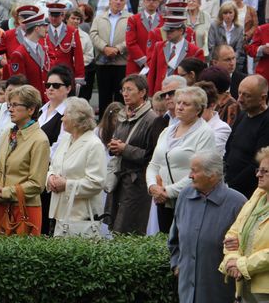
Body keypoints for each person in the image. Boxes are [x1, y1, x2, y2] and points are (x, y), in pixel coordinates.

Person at [168, 151, 246, 303]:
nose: (190, 176)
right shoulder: (184, 196)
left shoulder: (237, 203)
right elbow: (174, 239)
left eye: (195, 171)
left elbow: (246, 249)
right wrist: (176, 265)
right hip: (187, 291)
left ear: (212, 175)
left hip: (219, 293)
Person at [146, 86, 216, 233]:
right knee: (165, 245)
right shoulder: (167, 131)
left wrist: (167, 191)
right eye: (179, 103)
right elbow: (153, 164)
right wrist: (153, 187)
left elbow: (200, 171)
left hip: (190, 200)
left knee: (184, 244)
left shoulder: (205, 133)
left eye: (186, 104)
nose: (180, 107)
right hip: (163, 202)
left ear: (198, 110)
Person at [0, 84, 49, 236]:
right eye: (9, 105)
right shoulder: (8, 133)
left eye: (15, 105)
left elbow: (37, 184)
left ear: (31, 109)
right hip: (2, 205)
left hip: (25, 209)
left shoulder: (40, 140)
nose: (10, 109)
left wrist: (5, 192)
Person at [221, 145, 269, 303]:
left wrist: (242, 265)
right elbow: (233, 234)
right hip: (247, 287)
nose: (258, 175)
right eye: (259, 169)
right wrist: (232, 259)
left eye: (265, 171)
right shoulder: (258, 195)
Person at [47, 97, 106, 234]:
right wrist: (50, 178)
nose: (62, 119)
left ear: (76, 119)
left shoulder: (94, 144)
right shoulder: (66, 139)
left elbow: (96, 182)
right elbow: (53, 166)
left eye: (65, 115)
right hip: (59, 216)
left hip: (80, 218)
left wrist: (66, 185)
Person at [107, 74, 157, 235]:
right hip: (120, 181)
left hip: (137, 184)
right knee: (115, 228)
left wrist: (125, 149)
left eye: (130, 89)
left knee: (129, 231)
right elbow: (117, 141)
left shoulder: (152, 119)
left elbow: (152, 156)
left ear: (142, 92)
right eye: (123, 90)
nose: (125, 93)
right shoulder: (123, 115)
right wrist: (113, 146)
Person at [37, 65, 72, 235]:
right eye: (48, 85)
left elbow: (60, 147)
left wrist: (34, 156)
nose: (50, 88)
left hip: (51, 173)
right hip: (34, 172)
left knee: (46, 222)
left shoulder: (67, 114)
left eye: (56, 85)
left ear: (68, 89)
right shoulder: (40, 111)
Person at [225, 75, 269, 199]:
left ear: (263, 98)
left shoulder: (266, 122)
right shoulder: (243, 115)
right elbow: (230, 147)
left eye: (247, 95)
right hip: (229, 183)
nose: (240, 99)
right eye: (239, 93)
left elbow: (257, 162)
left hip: (247, 192)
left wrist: (231, 186)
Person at [90, 0, 131, 116]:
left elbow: (131, 37)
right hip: (103, 63)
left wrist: (118, 49)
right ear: (110, 1)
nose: (118, 2)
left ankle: (120, 123)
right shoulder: (99, 17)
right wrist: (105, 48)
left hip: (121, 63)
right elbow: (93, 34)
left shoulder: (131, 18)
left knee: (121, 96)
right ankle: (103, 124)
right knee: (104, 97)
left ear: (125, 3)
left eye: (121, 0)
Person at [147, 18, 205, 95]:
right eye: (166, 31)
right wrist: (150, 95)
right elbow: (152, 73)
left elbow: (198, 79)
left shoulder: (195, 51)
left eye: (171, 31)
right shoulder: (159, 46)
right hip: (160, 94)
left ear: (181, 31)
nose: (167, 33)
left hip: (182, 95)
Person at [125, 0, 163, 75]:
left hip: (157, 63)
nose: (151, 2)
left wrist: (153, 60)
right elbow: (130, 43)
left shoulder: (164, 21)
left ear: (158, 2)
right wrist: (144, 60)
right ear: (144, 1)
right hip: (136, 64)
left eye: (154, 0)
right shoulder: (133, 19)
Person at [45, 3, 85, 82]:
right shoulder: (43, 31)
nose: (53, 18)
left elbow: (78, 57)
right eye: (51, 15)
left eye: (56, 16)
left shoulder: (72, 32)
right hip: (48, 74)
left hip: (66, 75)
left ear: (62, 16)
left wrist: (79, 77)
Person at [208, 1, 245, 72]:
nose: (228, 16)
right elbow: (211, 46)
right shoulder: (214, 26)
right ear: (221, 14)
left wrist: (231, 61)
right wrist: (219, 61)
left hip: (233, 64)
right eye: (225, 13)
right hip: (217, 64)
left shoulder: (239, 28)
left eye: (230, 13)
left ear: (235, 14)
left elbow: (239, 49)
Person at [195, 80, 231, 154]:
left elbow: (207, 155)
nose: (195, 111)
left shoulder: (222, 128)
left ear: (212, 105)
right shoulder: (184, 122)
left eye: (199, 107)